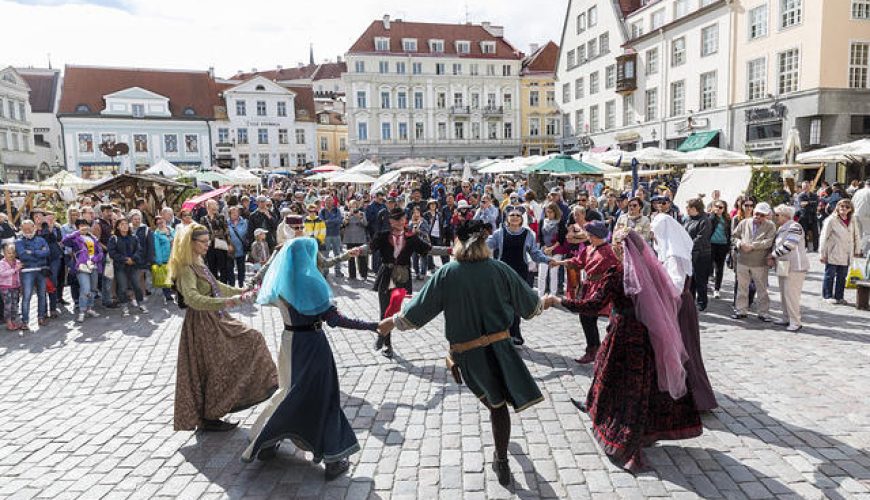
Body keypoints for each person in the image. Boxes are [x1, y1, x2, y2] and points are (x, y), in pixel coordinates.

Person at [378, 220, 552, 486]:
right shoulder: (500, 269)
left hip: (468, 356)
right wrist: (545, 302)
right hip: (502, 351)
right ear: (485, 243)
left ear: (457, 242)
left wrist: (389, 322)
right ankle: (502, 459)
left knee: (495, 403)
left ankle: (502, 461)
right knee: (498, 406)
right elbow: (530, 307)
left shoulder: (448, 273)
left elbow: (416, 314)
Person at [545, 230, 702, 472]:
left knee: (625, 388)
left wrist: (558, 302)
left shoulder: (617, 274)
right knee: (637, 382)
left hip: (624, 335)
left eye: (617, 244)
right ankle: (598, 407)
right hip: (648, 335)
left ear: (621, 249)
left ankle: (629, 442)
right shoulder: (651, 271)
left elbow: (594, 305)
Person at [242, 238, 378, 479]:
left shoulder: (281, 280)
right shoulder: (309, 283)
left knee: (289, 393)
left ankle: (268, 442)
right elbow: (336, 320)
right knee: (323, 398)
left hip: (289, 343)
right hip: (312, 345)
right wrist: (373, 326)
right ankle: (334, 458)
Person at [168, 223, 278, 432]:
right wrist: (228, 302)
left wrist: (241, 291)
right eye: (203, 242)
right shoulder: (185, 269)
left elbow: (216, 286)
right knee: (215, 366)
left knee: (250, 339)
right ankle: (210, 414)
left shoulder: (199, 262)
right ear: (191, 244)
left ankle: (228, 402)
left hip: (214, 318)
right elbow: (193, 299)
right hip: (201, 324)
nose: (207, 245)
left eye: (208, 241)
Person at [363, 207, 432, 358]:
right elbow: (370, 248)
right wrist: (358, 249)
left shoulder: (411, 237)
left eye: (402, 219)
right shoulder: (382, 235)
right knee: (384, 309)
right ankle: (386, 342)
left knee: (393, 309)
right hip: (386, 274)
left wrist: (422, 235)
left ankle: (382, 335)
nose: (400, 222)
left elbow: (426, 249)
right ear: (390, 221)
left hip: (402, 277)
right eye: (397, 219)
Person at [551, 221, 619, 364]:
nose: (588, 237)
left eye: (590, 235)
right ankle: (593, 349)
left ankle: (598, 350)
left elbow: (617, 268)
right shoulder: (588, 249)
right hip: (588, 286)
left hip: (601, 287)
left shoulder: (609, 251)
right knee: (586, 318)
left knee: (592, 317)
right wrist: (559, 263)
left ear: (597, 235)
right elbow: (577, 262)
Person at [487, 205, 552, 345]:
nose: (515, 217)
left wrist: (547, 260)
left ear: (521, 218)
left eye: (518, 215)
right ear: (507, 218)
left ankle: (515, 333)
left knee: (516, 304)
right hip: (502, 272)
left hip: (520, 272)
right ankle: (503, 333)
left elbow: (534, 253)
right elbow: (487, 246)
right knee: (503, 303)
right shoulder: (500, 233)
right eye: (512, 215)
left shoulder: (528, 234)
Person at [731, 202, 776, 320]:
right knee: (742, 287)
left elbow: (769, 241)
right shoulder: (744, 222)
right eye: (757, 214)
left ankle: (763, 312)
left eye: (762, 215)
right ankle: (741, 310)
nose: (758, 217)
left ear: (766, 215)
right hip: (743, 260)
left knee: (762, 289)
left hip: (760, 262)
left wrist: (752, 246)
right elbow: (734, 236)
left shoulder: (770, 225)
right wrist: (740, 243)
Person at [769, 204, 809, 331]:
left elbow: (789, 245)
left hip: (795, 266)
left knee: (792, 295)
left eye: (777, 215)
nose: (775, 217)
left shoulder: (794, 226)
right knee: (784, 293)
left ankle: (795, 322)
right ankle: (786, 317)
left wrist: (772, 255)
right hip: (783, 264)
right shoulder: (782, 227)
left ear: (785, 215)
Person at [819, 199, 862, 305]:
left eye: (847, 207)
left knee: (842, 276)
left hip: (847, 252)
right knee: (830, 274)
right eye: (842, 206)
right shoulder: (831, 220)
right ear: (837, 207)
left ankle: (839, 296)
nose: (844, 209)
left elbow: (856, 235)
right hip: (833, 251)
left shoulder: (852, 220)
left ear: (850, 209)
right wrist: (822, 253)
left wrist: (857, 249)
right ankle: (827, 295)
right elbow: (823, 237)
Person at [62, 219, 104, 323]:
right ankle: (82, 311)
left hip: (93, 266)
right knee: (85, 289)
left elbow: (100, 252)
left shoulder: (93, 238)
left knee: (93, 289)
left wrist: (95, 259)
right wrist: (77, 233)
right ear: (77, 227)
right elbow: (64, 241)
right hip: (82, 267)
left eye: (86, 225)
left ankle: (89, 308)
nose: (84, 227)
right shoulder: (75, 238)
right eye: (81, 226)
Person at [15, 220, 49, 330]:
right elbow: (23, 256)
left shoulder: (41, 239)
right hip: (27, 272)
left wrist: (32, 252)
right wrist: (39, 252)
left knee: (42, 295)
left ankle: (41, 317)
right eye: (25, 229)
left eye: (29, 229)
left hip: (41, 270)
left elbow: (47, 253)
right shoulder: (19, 241)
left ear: (34, 227)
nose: (27, 231)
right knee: (26, 297)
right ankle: (25, 321)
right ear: (21, 229)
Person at [683, 198, 713, 311]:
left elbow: (701, 238)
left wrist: (689, 246)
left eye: (688, 207)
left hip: (701, 255)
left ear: (694, 208)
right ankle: (690, 301)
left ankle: (702, 302)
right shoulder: (687, 219)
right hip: (688, 254)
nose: (686, 209)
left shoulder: (705, 221)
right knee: (690, 280)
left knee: (700, 280)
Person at [199, 200, 231, 284]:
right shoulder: (203, 219)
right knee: (212, 267)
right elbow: (202, 232)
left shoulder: (221, 217)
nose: (216, 207)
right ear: (208, 207)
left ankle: (224, 285)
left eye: (216, 205)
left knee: (223, 267)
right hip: (209, 245)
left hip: (220, 243)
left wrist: (229, 243)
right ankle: (215, 286)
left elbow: (226, 231)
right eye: (213, 205)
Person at [537, 202, 565, 295]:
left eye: (551, 212)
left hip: (556, 250)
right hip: (544, 249)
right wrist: (545, 247)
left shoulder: (560, 221)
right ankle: (540, 294)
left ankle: (553, 294)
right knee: (542, 274)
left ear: (555, 212)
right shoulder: (542, 221)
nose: (549, 214)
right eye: (547, 212)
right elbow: (540, 236)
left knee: (553, 273)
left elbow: (561, 238)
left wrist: (552, 248)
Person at [708, 200, 731, 299]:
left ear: (724, 209)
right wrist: (713, 214)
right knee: (708, 266)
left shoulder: (727, 219)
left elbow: (729, 233)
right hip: (711, 244)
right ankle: (706, 284)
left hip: (722, 245)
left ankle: (717, 289)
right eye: (716, 206)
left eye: (720, 207)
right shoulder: (710, 217)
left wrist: (729, 246)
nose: (718, 208)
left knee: (719, 269)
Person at [343, 200, 369, 280]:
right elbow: (344, 224)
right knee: (350, 257)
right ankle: (352, 275)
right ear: (349, 206)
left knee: (362, 257)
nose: (354, 206)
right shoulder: (346, 214)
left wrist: (360, 218)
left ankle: (363, 274)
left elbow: (365, 224)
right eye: (352, 205)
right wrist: (348, 217)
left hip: (360, 238)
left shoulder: (361, 213)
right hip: (350, 238)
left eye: (355, 205)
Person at [0, 244, 22, 330]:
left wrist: (20, 285)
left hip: (15, 286)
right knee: (8, 305)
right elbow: (2, 274)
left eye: (13, 253)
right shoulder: (2, 263)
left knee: (15, 304)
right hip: (5, 287)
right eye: (9, 253)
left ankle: (13, 321)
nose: (11, 255)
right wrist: (15, 269)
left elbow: (19, 275)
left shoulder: (17, 262)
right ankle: (8, 322)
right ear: (4, 253)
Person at [320, 197, 344, 277]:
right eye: (328, 201)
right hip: (325, 235)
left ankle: (338, 271)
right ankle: (325, 272)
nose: (329, 203)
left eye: (331, 201)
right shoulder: (322, 211)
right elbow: (322, 222)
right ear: (325, 202)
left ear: (333, 202)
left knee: (337, 253)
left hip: (336, 234)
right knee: (325, 255)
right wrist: (333, 221)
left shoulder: (337, 210)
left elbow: (339, 221)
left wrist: (328, 221)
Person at [226, 206, 249, 288]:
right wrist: (227, 245)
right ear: (229, 214)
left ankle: (241, 284)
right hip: (230, 250)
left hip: (241, 249)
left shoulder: (245, 222)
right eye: (233, 213)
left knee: (241, 268)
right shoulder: (226, 223)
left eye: (236, 212)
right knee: (229, 268)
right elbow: (223, 236)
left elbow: (248, 234)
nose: (235, 214)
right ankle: (231, 286)